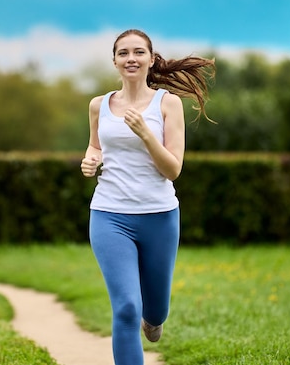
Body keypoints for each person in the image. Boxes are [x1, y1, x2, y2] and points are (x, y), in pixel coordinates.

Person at [81, 29, 215, 365]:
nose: (131, 59)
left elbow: (172, 169)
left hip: (160, 217)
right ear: (114, 61)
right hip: (109, 215)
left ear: (151, 59)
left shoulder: (167, 104)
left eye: (138, 52)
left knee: (154, 314)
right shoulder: (99, 105)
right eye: (123, 53)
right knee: (127, 308)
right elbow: (96, 144)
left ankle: (153, 321)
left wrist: (144, 134)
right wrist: (91, 158)